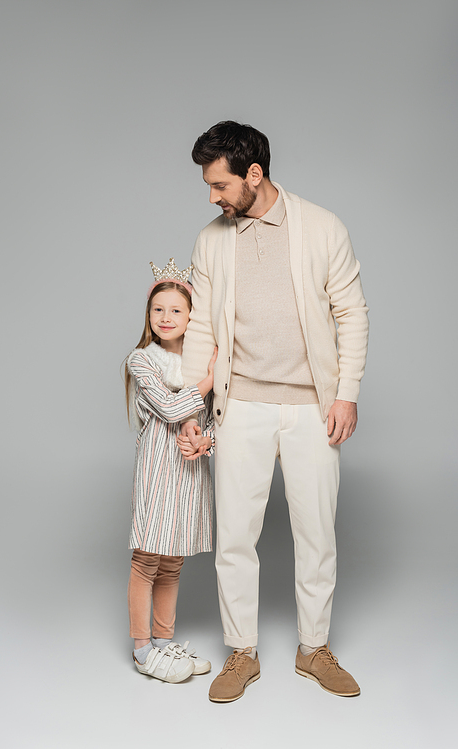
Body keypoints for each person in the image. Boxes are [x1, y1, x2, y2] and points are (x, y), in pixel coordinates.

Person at [180, 121, 369, 702]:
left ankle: (314, 649)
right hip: (240, 408)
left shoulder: (322, 227)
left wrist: (347, 393)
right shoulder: (213, 239)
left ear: (253, 174)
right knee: (235, 535)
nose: (212, 197)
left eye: (219, 185)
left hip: (313, 408)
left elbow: (351, 313)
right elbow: (203, 326)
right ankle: (242, 652)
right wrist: (192, 402)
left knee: (318, 534)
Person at [124, 258, 217, 683]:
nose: (166, 317)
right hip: (158, 470)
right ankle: (143, 649)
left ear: (191, 317)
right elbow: (171, 405)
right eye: (158, 309)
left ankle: (164, 641)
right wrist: (209, 380)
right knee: (147, 558)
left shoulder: (197, 365)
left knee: (173, 559)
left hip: (189, 473)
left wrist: (204, 440)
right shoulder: (142, 360)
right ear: (148, 315)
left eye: (176, 310)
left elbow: (215, 417)